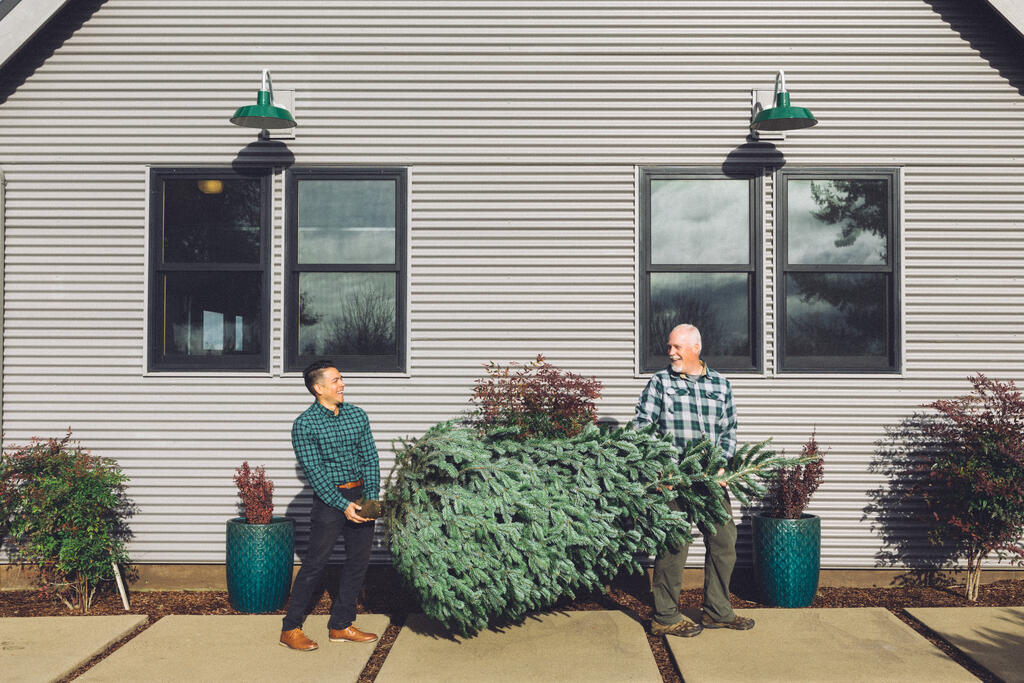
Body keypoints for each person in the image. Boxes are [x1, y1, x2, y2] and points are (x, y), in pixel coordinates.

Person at [634, 324, 755, 638]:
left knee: (724, 540)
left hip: (710, 479)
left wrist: (722, 467)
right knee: (674, 544)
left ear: (695, 348)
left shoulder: (721, 385)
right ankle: (665, 615)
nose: (671, 352)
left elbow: (729, 431)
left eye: (677, 347)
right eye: (669, 347)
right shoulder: (660, 383)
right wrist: (660, 467)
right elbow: (641, 427)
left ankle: (717, 611)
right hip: (674, 479)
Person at [279, 360, 381, 651]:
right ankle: (291, 628)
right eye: (336, 380)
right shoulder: (304, 425)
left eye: (341, 379)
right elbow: (315, 473)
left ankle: (341, 625)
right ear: (318, 388)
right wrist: (341, 504)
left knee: (358, 562)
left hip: (361, 494)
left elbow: (370, 459)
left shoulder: (357, 416)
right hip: (328, 500)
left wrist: (369, 499)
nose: (342, 384)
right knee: (315, 564)